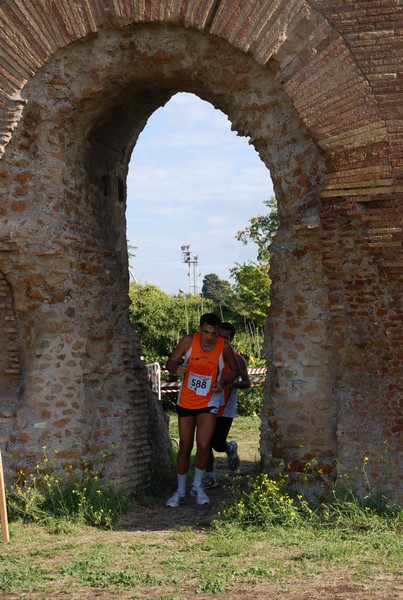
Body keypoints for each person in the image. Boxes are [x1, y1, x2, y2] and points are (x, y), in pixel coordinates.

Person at [165, 313, 240, 508]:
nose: (210, 337)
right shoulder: (188, 341)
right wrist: (176, 369)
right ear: (200, 329)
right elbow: (170, 363)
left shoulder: (224, 346)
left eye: (214, 334)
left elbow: (235, 370)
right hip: (187, 400)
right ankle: (180, 490)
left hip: (209, 400)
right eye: (206, 332)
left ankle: (198, 486)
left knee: (204, 445)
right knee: (185, 446)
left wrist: (222, 383)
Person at [203, 322, 251, 489]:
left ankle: (230, 447)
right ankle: (210, 476)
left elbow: (247, 383)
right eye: (219, 337)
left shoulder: (237, 359)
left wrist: (233, 384)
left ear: (231, 339)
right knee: (205, 442)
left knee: (217, 443)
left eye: (226, 338)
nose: (222, 340)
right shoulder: (207, 354)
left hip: (226, 406)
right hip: (208, 403)